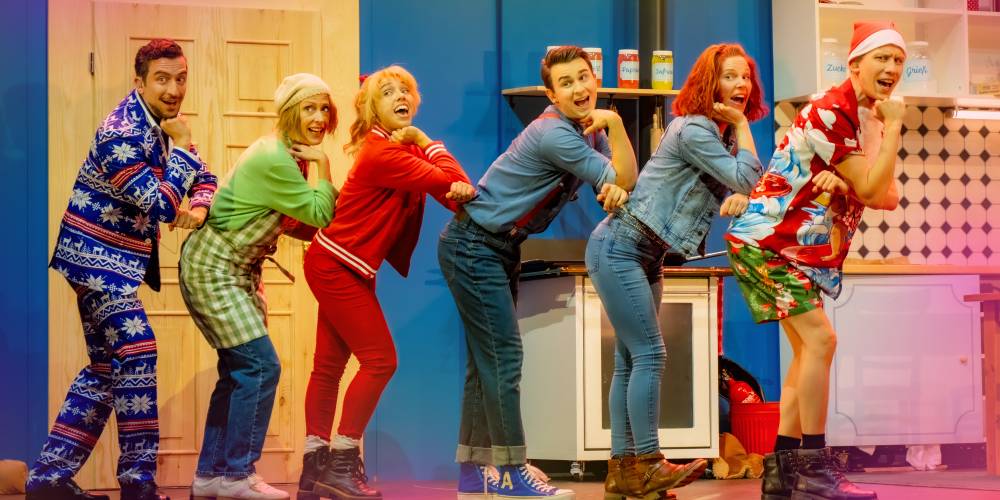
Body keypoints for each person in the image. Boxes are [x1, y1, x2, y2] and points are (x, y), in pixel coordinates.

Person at [439, 45, 637, 499]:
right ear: (552, 94)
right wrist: (616, 128)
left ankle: (473, 475)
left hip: (498, 246)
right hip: (474, 245)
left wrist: (616, 156)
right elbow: (619, 178)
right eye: (566, 83)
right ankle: (511, 472)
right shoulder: (554, 134)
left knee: (485, 363)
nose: (579, 89)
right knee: (503, 359)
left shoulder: (587, 133)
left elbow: (623, 180)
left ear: (594, 79)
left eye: (583, 77)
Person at [28, 39, 216, 500]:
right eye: (162, 79)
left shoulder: (162, 124)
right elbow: (159, 205)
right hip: (94, 260)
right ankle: (137, 481)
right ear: (140, 82)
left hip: (113, 262)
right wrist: (183, 149)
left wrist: (199, 207)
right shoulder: (122, 133)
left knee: (105, 369)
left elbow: (204, 178)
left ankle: (48, 479)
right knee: (138, 350)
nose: (174, 89)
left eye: (181, 78)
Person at [725, 21, 906, 500]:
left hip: (793, 250)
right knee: (822, 341)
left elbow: (888, 195)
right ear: (855, 64)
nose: (891, 68)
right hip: (768, 242)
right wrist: (893, 132)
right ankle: (815, 468)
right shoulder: (832, 110)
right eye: (881, 58)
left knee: (809, 351)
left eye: (898, 59)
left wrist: (853, 180)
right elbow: (874, 189)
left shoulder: (869, 115)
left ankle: (783, 471)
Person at [585, 42, 769, 500]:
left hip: (646, 252)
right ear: (710, 82)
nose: (741, 85)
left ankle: (623, 472)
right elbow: (747, 177)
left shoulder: (717, 136)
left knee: (630, 361)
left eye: (745, 76)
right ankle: (648, 462)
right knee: (650, 355)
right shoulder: (695, 129)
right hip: (622, 246)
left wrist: (740, 186)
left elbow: (744, 184)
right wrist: (743, 126)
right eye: (730, 76)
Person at [296, 65, 474, 500]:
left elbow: (456, 195)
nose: (401, 97)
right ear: (372, 108)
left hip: (344, 264)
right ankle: (340, 462)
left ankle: (314, 471)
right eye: (388, 92)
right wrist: (427, 142)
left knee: (329, 366)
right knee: (380, 361)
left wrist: (423, 150)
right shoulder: (384, 153)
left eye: (406, 90)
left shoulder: (398, 151)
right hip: (336, 264)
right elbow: (455, 184)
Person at [179, 73, 338, 500]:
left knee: (237, 373)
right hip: (215, 268)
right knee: (261, 366)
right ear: (288, 112)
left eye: (324, 108)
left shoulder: (287, 155)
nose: (319, 118)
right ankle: (237, 475)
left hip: (231, 269)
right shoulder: (276, 157)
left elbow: (298, 221)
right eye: (309, 108)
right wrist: (325, 166)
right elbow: (319, 214)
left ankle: (211, 476)